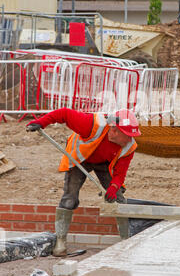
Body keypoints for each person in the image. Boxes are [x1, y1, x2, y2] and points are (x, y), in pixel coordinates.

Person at [26, 108, 141, 256]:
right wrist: (42, 122)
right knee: (70, 198)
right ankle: (60, 242)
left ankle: (126, 242)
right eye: (127, 135)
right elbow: (64, 113)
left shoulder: (129, 146)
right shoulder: (92, 124)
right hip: (79, 159)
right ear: (114, 130)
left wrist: (113, 187)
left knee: (118, 199)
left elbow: (120, 174)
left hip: (104, 163)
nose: (130, 139)